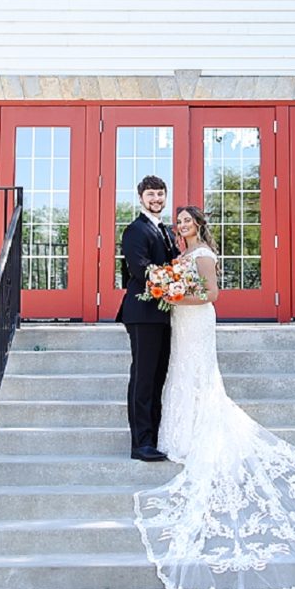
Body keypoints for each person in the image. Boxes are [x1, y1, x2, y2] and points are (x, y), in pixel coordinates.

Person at [133, 206, 295, 589]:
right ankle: (178, 435)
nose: (183, 225)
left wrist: (173, 295)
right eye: (180, 221)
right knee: (180, 376)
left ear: (198, 225)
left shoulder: (202, 254)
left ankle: (201, 433)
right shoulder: (180, 253)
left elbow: (211, 295)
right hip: (180, 322)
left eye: (188, 221)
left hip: (196, 320)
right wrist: (170, 291)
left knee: (198, 377)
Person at [118, 175, 179, 461]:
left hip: (164, 315)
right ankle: (140, 443)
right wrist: (175, 281)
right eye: (151, 194)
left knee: (157, 378)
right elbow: (140, 269)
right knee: (143, 378)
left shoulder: (165, 230)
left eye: (160, 194)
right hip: (142, 313)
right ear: (141, 197)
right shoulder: (135, 231)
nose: (156, 199)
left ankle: (153, 438)